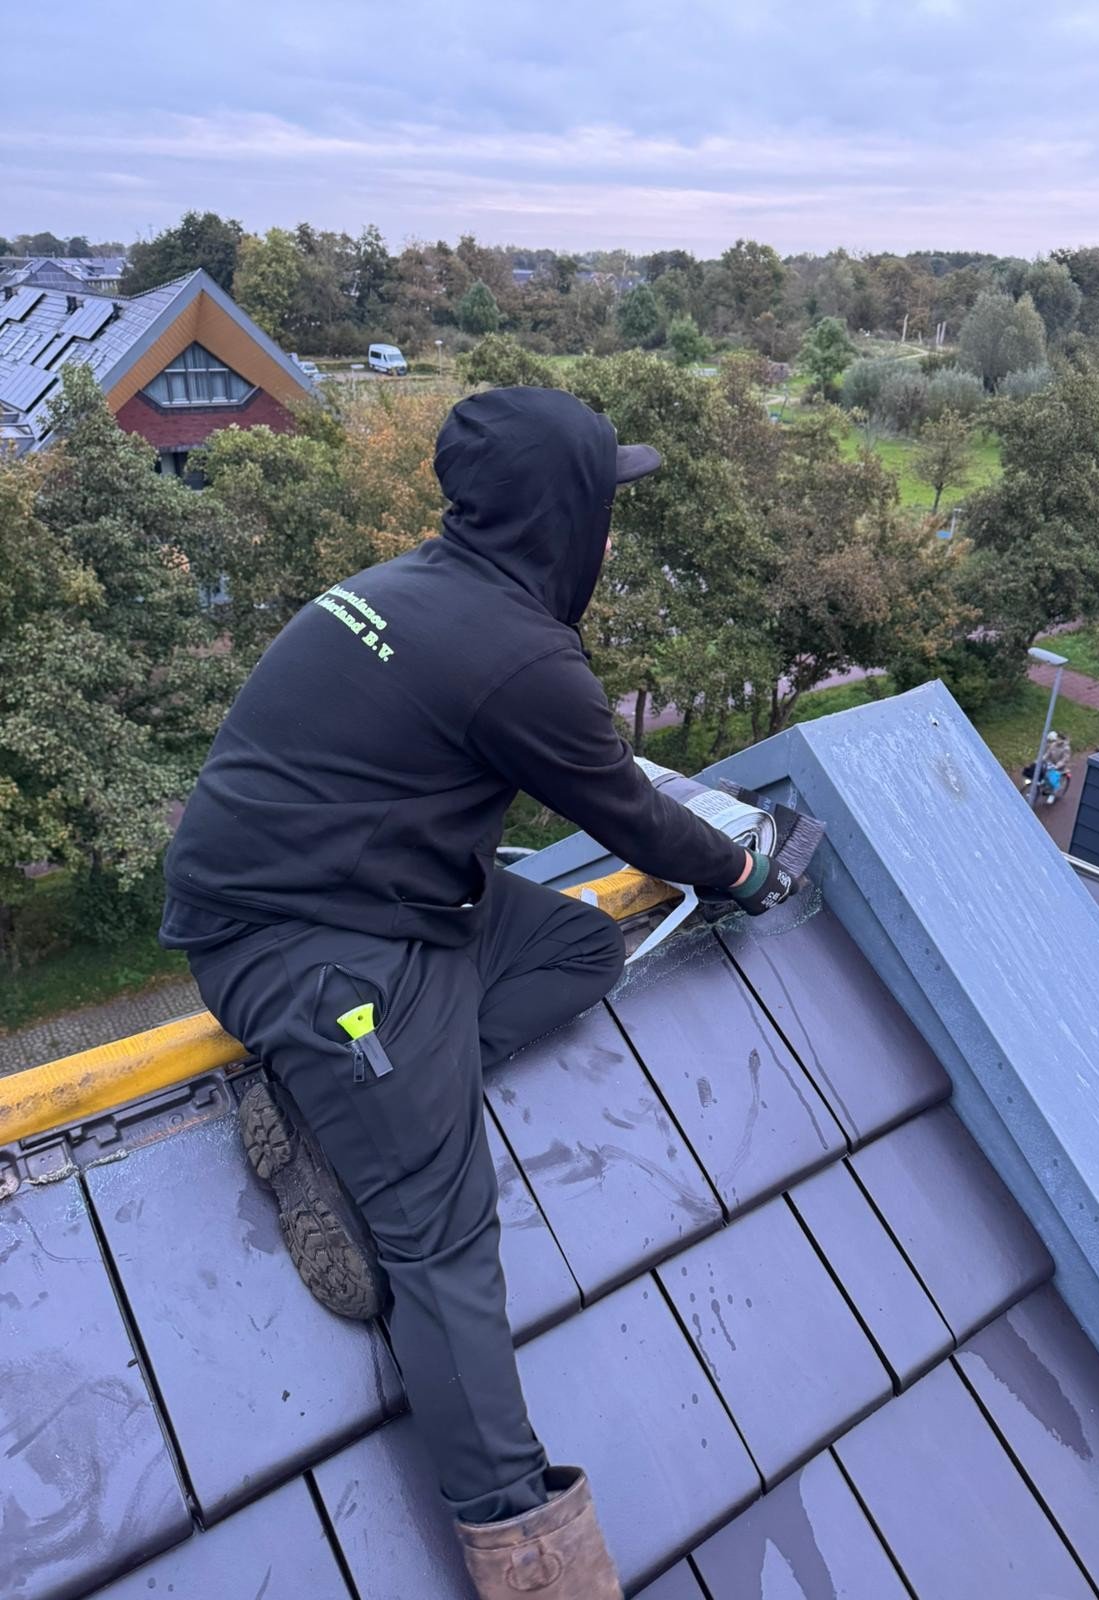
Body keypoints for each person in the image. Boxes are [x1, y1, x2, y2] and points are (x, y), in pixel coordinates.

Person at [160, 386, 797, 1599]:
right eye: (605, 505)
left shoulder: (411, 587)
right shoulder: (521, 658)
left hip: (387, 901)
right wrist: (744, 871)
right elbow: (637, 819)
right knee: (445, 1243)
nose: (610, 533)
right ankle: (532, 1557)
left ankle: (361, 1108)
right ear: (565, 518)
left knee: (579, 950)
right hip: (293, 947)